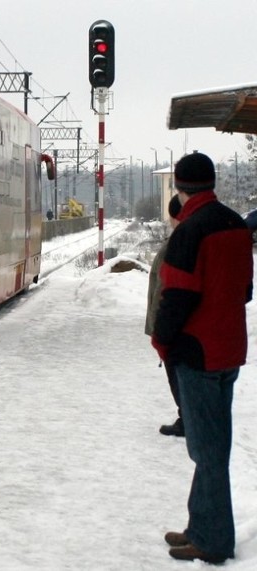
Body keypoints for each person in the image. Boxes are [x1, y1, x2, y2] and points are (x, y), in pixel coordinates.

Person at [151, 151, 253, 564]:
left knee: (207, 452)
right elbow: (246, 290)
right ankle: (201, 526)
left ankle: (212, 542)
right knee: (213, 447)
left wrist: (162, 341)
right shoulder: (235, 224)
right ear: (211, 182)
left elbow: (176, 296)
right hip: (229, 349)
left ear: (179, 185)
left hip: (197, 352)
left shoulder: (190, 231)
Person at [145, 194, 183, 437]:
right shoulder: (179, 241)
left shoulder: (180, 244)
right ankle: (187, 416)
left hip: (172, 329)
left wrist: (161, 331)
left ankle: (187, 418)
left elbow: (168, 289)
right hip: (170, 326)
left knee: (178, 376)